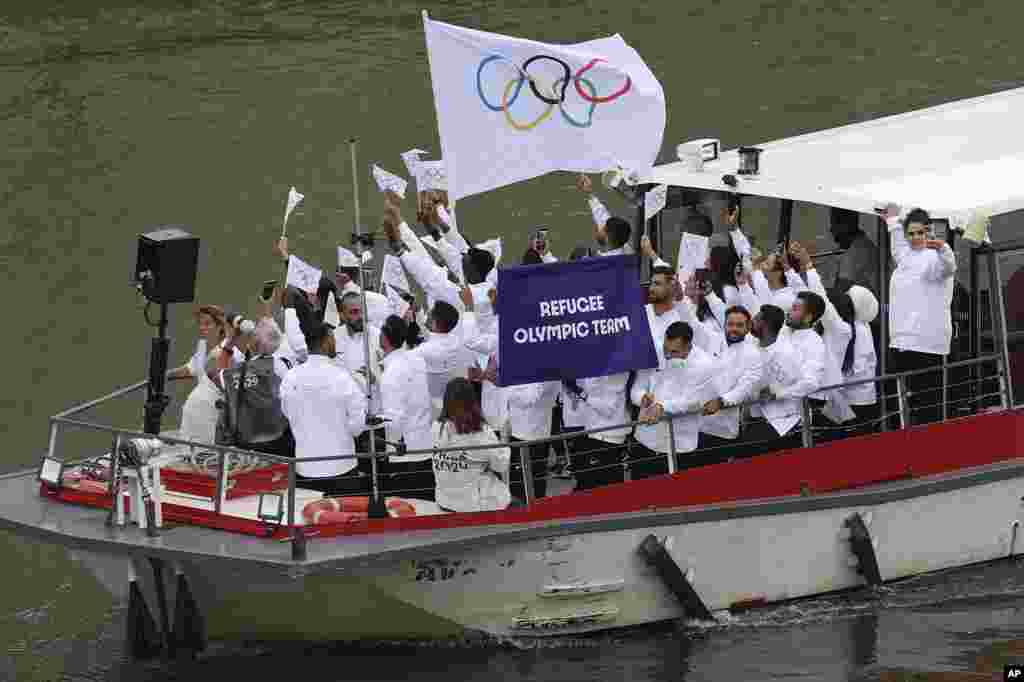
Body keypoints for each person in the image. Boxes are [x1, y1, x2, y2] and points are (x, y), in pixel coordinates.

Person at [789, 242, 879, 436]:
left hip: (832, 398)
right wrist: (794, 269)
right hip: (831, 397)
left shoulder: (841, 329)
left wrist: (808, 266)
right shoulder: (844, 329)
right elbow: (813, 298)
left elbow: (819, 298)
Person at [880, 204, 956, 426]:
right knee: (905, 405)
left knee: (929, 407)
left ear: (929, 230)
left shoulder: (935, 259)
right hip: (902, 340)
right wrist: (893, 221)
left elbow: (948, 267)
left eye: (920, 233)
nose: (915, 238)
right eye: (911, 234)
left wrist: (943, 249)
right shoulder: (905, 256)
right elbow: (897, 247)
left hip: (928, 343)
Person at [279, 320, 368, 495]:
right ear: (326, 341)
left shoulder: (290, 377)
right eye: (333, 338)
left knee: (307, 520)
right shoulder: (342, 378)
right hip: (342, 468)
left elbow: (287, 413)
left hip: (305, 467)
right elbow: (358, 425)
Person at [630, 322, 717, 478]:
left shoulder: (705, 364)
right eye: (665, 349)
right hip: (645, 439)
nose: (667, 355)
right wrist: (642, 398)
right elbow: (637, 386)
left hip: (680, 444)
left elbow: (694, 401)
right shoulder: (654, 352)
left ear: (688, 346)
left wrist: (662, 407)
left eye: (674, 351)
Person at [212, 317, 294, 458]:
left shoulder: (240, 371)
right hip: (281, 440)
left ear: (252, 344)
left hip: (249, 444)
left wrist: (230, 341)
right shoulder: (287, 365)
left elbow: (216, 375)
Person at [743, 304, 818, 457]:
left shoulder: (786, 353)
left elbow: (809, 384)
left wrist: (778, 393)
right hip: (760, 418)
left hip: (784, 423)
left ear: (764, 325)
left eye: (756, 319)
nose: (751, 323)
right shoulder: (755, 349)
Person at [431, 378, 511, 512]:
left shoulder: (435, 427)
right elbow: (501, 466)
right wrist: (504, 446)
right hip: (472, 504)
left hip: (444, 500)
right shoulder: (482, 433)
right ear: (472, 401)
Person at [377, 315, 435, 500]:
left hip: (405, 457)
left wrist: (372, 422)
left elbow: (394, 420)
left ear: (384, 339)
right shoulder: (417, 361)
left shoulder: (392, 373)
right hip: (425, 448)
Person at [167, 304, 240, 445]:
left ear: (220, 327)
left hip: (217, 411)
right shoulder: (203, 346)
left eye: (208, 324)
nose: (202, 328)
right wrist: (163, 375)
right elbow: (190, 369)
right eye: (200, 324)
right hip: (196, 410)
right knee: (189, 445)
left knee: (207, 447)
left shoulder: (230, 351)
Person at [699, 305, 763, 463]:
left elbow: (745, 388)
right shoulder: (712, 339)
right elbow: (691, 323)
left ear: (748, 327)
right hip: (697, 424)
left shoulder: (753, 354)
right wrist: (681, 300)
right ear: (725, 324)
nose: (733, 329)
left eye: (739, 325)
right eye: (730, 324)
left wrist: (721, 401)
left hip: (724, 430)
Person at [506, 379, 559, 501]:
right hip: (524, 431)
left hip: (529, 434)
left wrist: (505, 387)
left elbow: (529, 399)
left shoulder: (545, 370)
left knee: (528, 481)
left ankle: (531, 513)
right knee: (528, 480)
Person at [829, 207, 879, 297]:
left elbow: (839, 293)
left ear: (845, 225)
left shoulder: (854, 253)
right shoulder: (864, 243)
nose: (831, 230)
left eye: (834, 224)